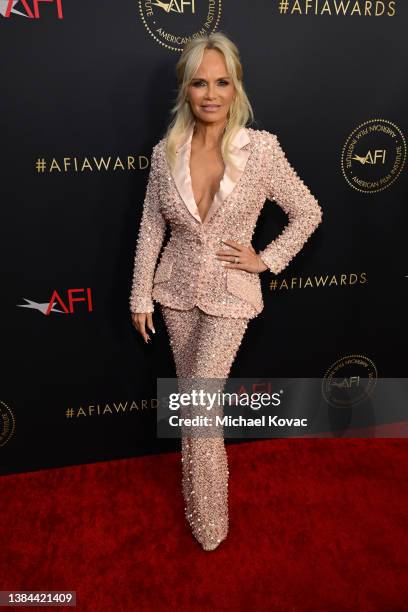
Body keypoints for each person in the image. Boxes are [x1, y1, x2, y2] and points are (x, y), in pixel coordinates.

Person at [129, 32, 323, 551]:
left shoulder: (261, 150)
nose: (211, 93)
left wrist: (267, 259)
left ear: (236, 87)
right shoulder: (165, 153)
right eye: (199, 83)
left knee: (200, 407)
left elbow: (308, 212)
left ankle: (210, 520)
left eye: (222, 82)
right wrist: (140, 296)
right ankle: (197, 500)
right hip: (174, 293)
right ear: (185, 90)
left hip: (232, 294)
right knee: (194, 403)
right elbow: (152, 227)